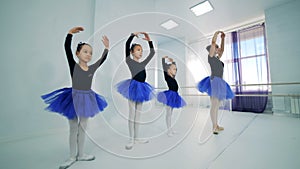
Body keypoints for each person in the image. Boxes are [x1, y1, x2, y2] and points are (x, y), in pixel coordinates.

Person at [41, 26, 109, 169]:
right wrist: (69, 34)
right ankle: (72, 156)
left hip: (87, 98)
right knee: (73, 127)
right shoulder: (74, 65)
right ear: (78, 54)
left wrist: (106, 49)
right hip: (73, 97)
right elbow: (66, 48)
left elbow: (102, 60)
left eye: (90, 53)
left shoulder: (91, 68)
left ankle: (81, 154)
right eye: (85, 51)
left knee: (83, 127)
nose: (88, 55)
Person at [115, 32, 155, 150]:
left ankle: (137, 138)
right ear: (132, 52)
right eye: (138, 50)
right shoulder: (129, 61)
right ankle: (131, 138)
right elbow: (127, 45)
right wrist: (132, 35)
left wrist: (149, 41)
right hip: (133, 88)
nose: (140, 52)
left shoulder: (143, 63)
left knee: (138, 115)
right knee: (132, 114)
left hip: (142, 89)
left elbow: (152, 53)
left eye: (141, 50)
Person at [197, 31, 234, 134]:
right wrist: (216, 34)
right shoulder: (211, 58)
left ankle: (216, 125)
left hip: (220, 82)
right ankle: (214, 127)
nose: (218, 49)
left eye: (217, 48)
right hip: (214, 81)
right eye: (216, 48)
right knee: (214, 105)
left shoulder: (217, 58)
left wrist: (223, 38)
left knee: (217, 105)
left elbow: (222, 49)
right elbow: (213, 43)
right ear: (212, 50)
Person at [157, 56, 186, 136]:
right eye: (173, 69)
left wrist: (173, 62)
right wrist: (163, 59)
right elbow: (164, 68)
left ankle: (171, 129)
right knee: (168, 114)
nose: (175, 70)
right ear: (168, 70)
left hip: (175, 95)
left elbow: (175, 67)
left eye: (176, 69)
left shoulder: (173, 77)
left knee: (171, 114)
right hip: (169, 96)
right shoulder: (167, 76)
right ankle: (169, 130)